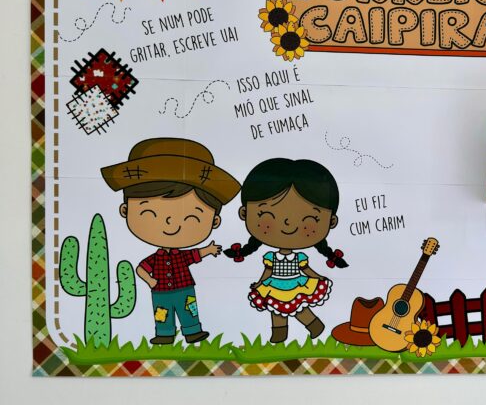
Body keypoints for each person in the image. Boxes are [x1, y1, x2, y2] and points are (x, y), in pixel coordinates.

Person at [101, 138, 240, 345]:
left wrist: (209, 249)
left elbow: (194, 255)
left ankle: (192, 331)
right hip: (160, 292)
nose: (170, 224)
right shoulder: (154, 258)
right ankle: (164, 334)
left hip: (184, 289)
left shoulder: (181, 255)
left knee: (189, 311)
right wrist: (150, 281)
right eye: (150, 213)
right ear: (125, 210)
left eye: (192, 217)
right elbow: (141, 269)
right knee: (162, 313)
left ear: (215, 221)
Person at [224, 158, 348, 343]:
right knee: (276, 309)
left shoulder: (299, 257)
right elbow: (268, 271)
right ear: (244, 213)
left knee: (299, 308)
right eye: (266, 215)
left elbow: (306, 269)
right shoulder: (270, 257)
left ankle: (315, 326)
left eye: (310, 219)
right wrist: (260, 283)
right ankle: (279, 334)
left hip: (296, 283)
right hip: (274, 285)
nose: (289, 224)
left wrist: (318, 277)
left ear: (331, 221)